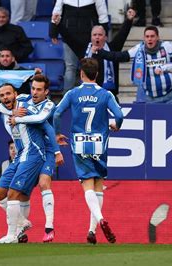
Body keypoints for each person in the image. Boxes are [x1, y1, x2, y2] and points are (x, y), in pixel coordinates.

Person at [53, 58, 123, 245]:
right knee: (99, 185)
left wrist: (57, 133)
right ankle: (92, 231)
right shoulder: (106, 94)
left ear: (81, 74)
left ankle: (100, 220)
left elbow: (57, 113)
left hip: (80, 142)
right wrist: (117, 125)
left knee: (87, 184)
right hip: (99, 143)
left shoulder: (73, 93)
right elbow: (119, 115)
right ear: (97, 74)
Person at [0, 74, 64, 242]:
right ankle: (21, 222)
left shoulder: (39, 106)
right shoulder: (13, 106)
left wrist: (56, 151)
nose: (34, 92)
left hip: (36, 152)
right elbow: (0, 107)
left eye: (8, 94)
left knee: (29, 189)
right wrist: (12, 112)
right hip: (20, 155)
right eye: (33, 88)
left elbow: (44, 123)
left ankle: (18, 234)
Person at [92, 26, 172, 103]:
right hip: (150, 99)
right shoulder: (138, 50)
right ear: (144, 38)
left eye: (152, 36)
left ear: (157, 37)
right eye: (147, 37)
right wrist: (100, 52)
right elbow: (119, 57)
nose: (150, 39)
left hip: (170, 97)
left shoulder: (166, 47)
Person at [84, 9, 136, 101]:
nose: (97, 37)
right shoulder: (84, 50)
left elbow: (122, 35)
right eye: (94, 34)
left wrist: (128, 20)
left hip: (110, 95)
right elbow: (70, 38)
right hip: (90, 95)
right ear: (91, 37)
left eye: (100, 34)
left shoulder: (113, 48)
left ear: (105, 37)